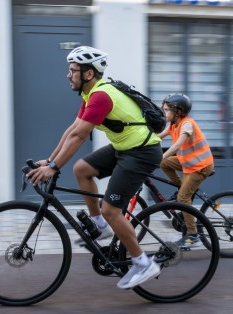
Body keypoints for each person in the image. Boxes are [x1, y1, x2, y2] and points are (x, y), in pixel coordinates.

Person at [27, 46, 162, 289]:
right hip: (124, 147)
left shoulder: (101, 96)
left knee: (112, 210)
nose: (68, 75)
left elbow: (80, 137)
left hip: (141, 152)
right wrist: (50, 161)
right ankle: (100, 226)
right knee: (81, 169)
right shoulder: (90, 95)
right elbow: (72, 131)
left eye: (73, 70)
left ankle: (143, 263)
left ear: (88, 74)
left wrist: (55, 167)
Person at [157, 94, 214, 248]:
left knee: (183, 198)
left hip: (200, 166)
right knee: (165, 163)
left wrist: (160, 156)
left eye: (167, 110)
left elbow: (176, 146)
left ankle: (192, 235)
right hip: (188, 163)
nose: (164, 113)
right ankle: (182, 187)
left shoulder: (187, 124)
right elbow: (157, 138)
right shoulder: (173, 125)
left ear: (178, 111)